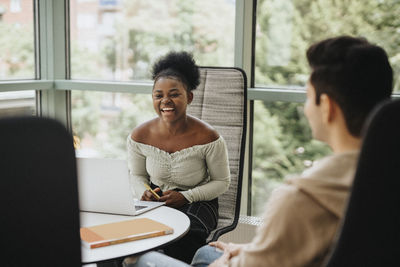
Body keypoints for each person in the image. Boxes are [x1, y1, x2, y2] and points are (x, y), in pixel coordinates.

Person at [126, 35, 393, 267]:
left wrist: (232, 258)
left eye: (308, 96)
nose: (305, 107)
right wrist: (245, 249)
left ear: (328, 107)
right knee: (208, 250)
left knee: (140, 260)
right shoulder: (385, 173)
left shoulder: (302, 198)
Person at [126, 51, 231, 263]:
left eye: (174, 94)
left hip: (199, 200)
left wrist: (186, 196)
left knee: (182, 234)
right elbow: (136, 175)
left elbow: (222, 182)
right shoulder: (139, 135)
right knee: (127, 235)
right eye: (158, 95)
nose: (166, 100)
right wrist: (144, 193)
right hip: (158, 199)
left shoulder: (208, 136)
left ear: (189, 97)